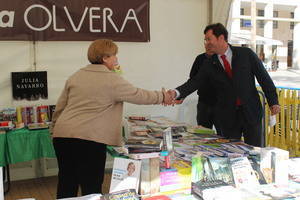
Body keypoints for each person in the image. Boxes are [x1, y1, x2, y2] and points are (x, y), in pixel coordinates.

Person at [51, 39, 171, 199]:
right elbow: (138, 95)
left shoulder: (76, 76)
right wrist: (163, 96)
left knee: (67, 182)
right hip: (89, 138)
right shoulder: (112, 79)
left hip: (62, 136)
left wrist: (54, 130)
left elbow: (60, 108)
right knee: (91, 186)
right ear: (105, 58)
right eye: (114, 55)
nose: (117, 59)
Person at [167, 23, 280, 147]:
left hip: (251, 113)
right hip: (228, 117)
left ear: (221, 38)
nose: (206, 42)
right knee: (230, 152)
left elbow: (264, 78)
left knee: (254, 151)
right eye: (205, 40)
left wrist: (273, 101)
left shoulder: (246, 54)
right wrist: (176, 93)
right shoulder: (209, 63)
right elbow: (195, 82)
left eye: (209, 39)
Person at [187, 44, 220, 133]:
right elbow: (193, 80)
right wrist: (181, 95)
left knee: (223, 134)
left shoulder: (221, 59)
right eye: (206, 43)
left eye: (210, 44)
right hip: (204, 103)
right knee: (203, 133)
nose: (208, 47)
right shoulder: (200, 59)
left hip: (220, 104)